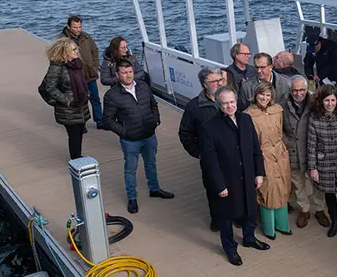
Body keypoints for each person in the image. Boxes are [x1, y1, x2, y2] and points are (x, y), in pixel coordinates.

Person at [200, 86, 270, 266]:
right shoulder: (209, 127)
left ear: (236, 100)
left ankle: (249, 238)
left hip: (248, 176)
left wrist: (259, 173)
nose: (230, 106)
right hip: (226, 181)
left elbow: (256, 148)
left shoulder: (246, 119)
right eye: (225, 103)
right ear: (218, 103)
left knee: (250, 211)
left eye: (232, 102)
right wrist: (219, 185)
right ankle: (230, 249)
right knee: (226, 217)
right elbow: (210, 161)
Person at [102, 59, 173, 214]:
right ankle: (132, 198)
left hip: (149, 134)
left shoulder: (143, 86)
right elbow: (107, 120)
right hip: (130, 140)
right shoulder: (112, 95)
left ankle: (154, 189)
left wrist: (156, 120)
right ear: (117, 74)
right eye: (124, 73)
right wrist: (124, 132)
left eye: (130, 72)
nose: (128, 76)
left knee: (151, 163)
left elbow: (153, 104)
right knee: (130, 169)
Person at [178, 67, 226, 231]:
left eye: (221, 80)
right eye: (215, 81)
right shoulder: (194, 106)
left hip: (232, 155)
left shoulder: (231, 99)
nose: (219, 84)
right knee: (213, 189)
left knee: (234, 185)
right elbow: (185, 133)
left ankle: (237, 216)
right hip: (210, 158)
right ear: (205, 84)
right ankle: (217, 219)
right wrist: (198, 153)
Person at [307, 85, 337, 238]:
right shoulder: (314, 118)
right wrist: (313, 168)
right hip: (325, 164)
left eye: (333, 100)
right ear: (321, 101)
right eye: (326, 100)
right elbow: (311, 144)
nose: (330, 104)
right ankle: (335, 222)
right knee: (329, 195)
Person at [245, 80, 292, 240]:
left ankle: (283, 224)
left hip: (280, 154)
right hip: (263, 156)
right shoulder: (248, 114)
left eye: (267, 95)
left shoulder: (277, 110)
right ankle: (269, 228)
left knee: (283, 187)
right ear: (255, 95)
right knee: (267, 190)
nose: (264, 98)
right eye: (261, 94)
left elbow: (284, 130)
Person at [282, 76, 330, 229]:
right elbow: (278, 128)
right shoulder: (282, 106)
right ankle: (304, 209)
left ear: (306, 89)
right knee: (298, 184)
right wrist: (289, 143)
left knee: (317, 183)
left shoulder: (315, 104)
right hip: (293, 151)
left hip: (312, 151)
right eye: (295, 90)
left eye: (302, 90)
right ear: (290, 90)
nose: (298, 93)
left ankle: (320, 209)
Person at [39, 38, 91, 160]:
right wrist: (66, 100)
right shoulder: (56, 67)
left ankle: (78, 156)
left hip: (80, 105)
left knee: (79, 132)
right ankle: (76, 159)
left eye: (76, 49)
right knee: (74, 135)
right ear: (65, 52)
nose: (77, 51)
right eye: (73, 50)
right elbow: (50, 88)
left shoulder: (77, 64)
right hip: (67, 108)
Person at [60, 15, 101, 127]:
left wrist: (95, 66)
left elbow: (95, 51)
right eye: (75, 27)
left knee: (95, 98)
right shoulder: (63, 41)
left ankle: (99, 120)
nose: (78, 30)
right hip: (75, 76)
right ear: (68, 27)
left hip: (90, 73)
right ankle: (81, 124)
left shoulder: (87, 37)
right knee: (80, 101)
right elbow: (60, 58)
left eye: (80, 27)